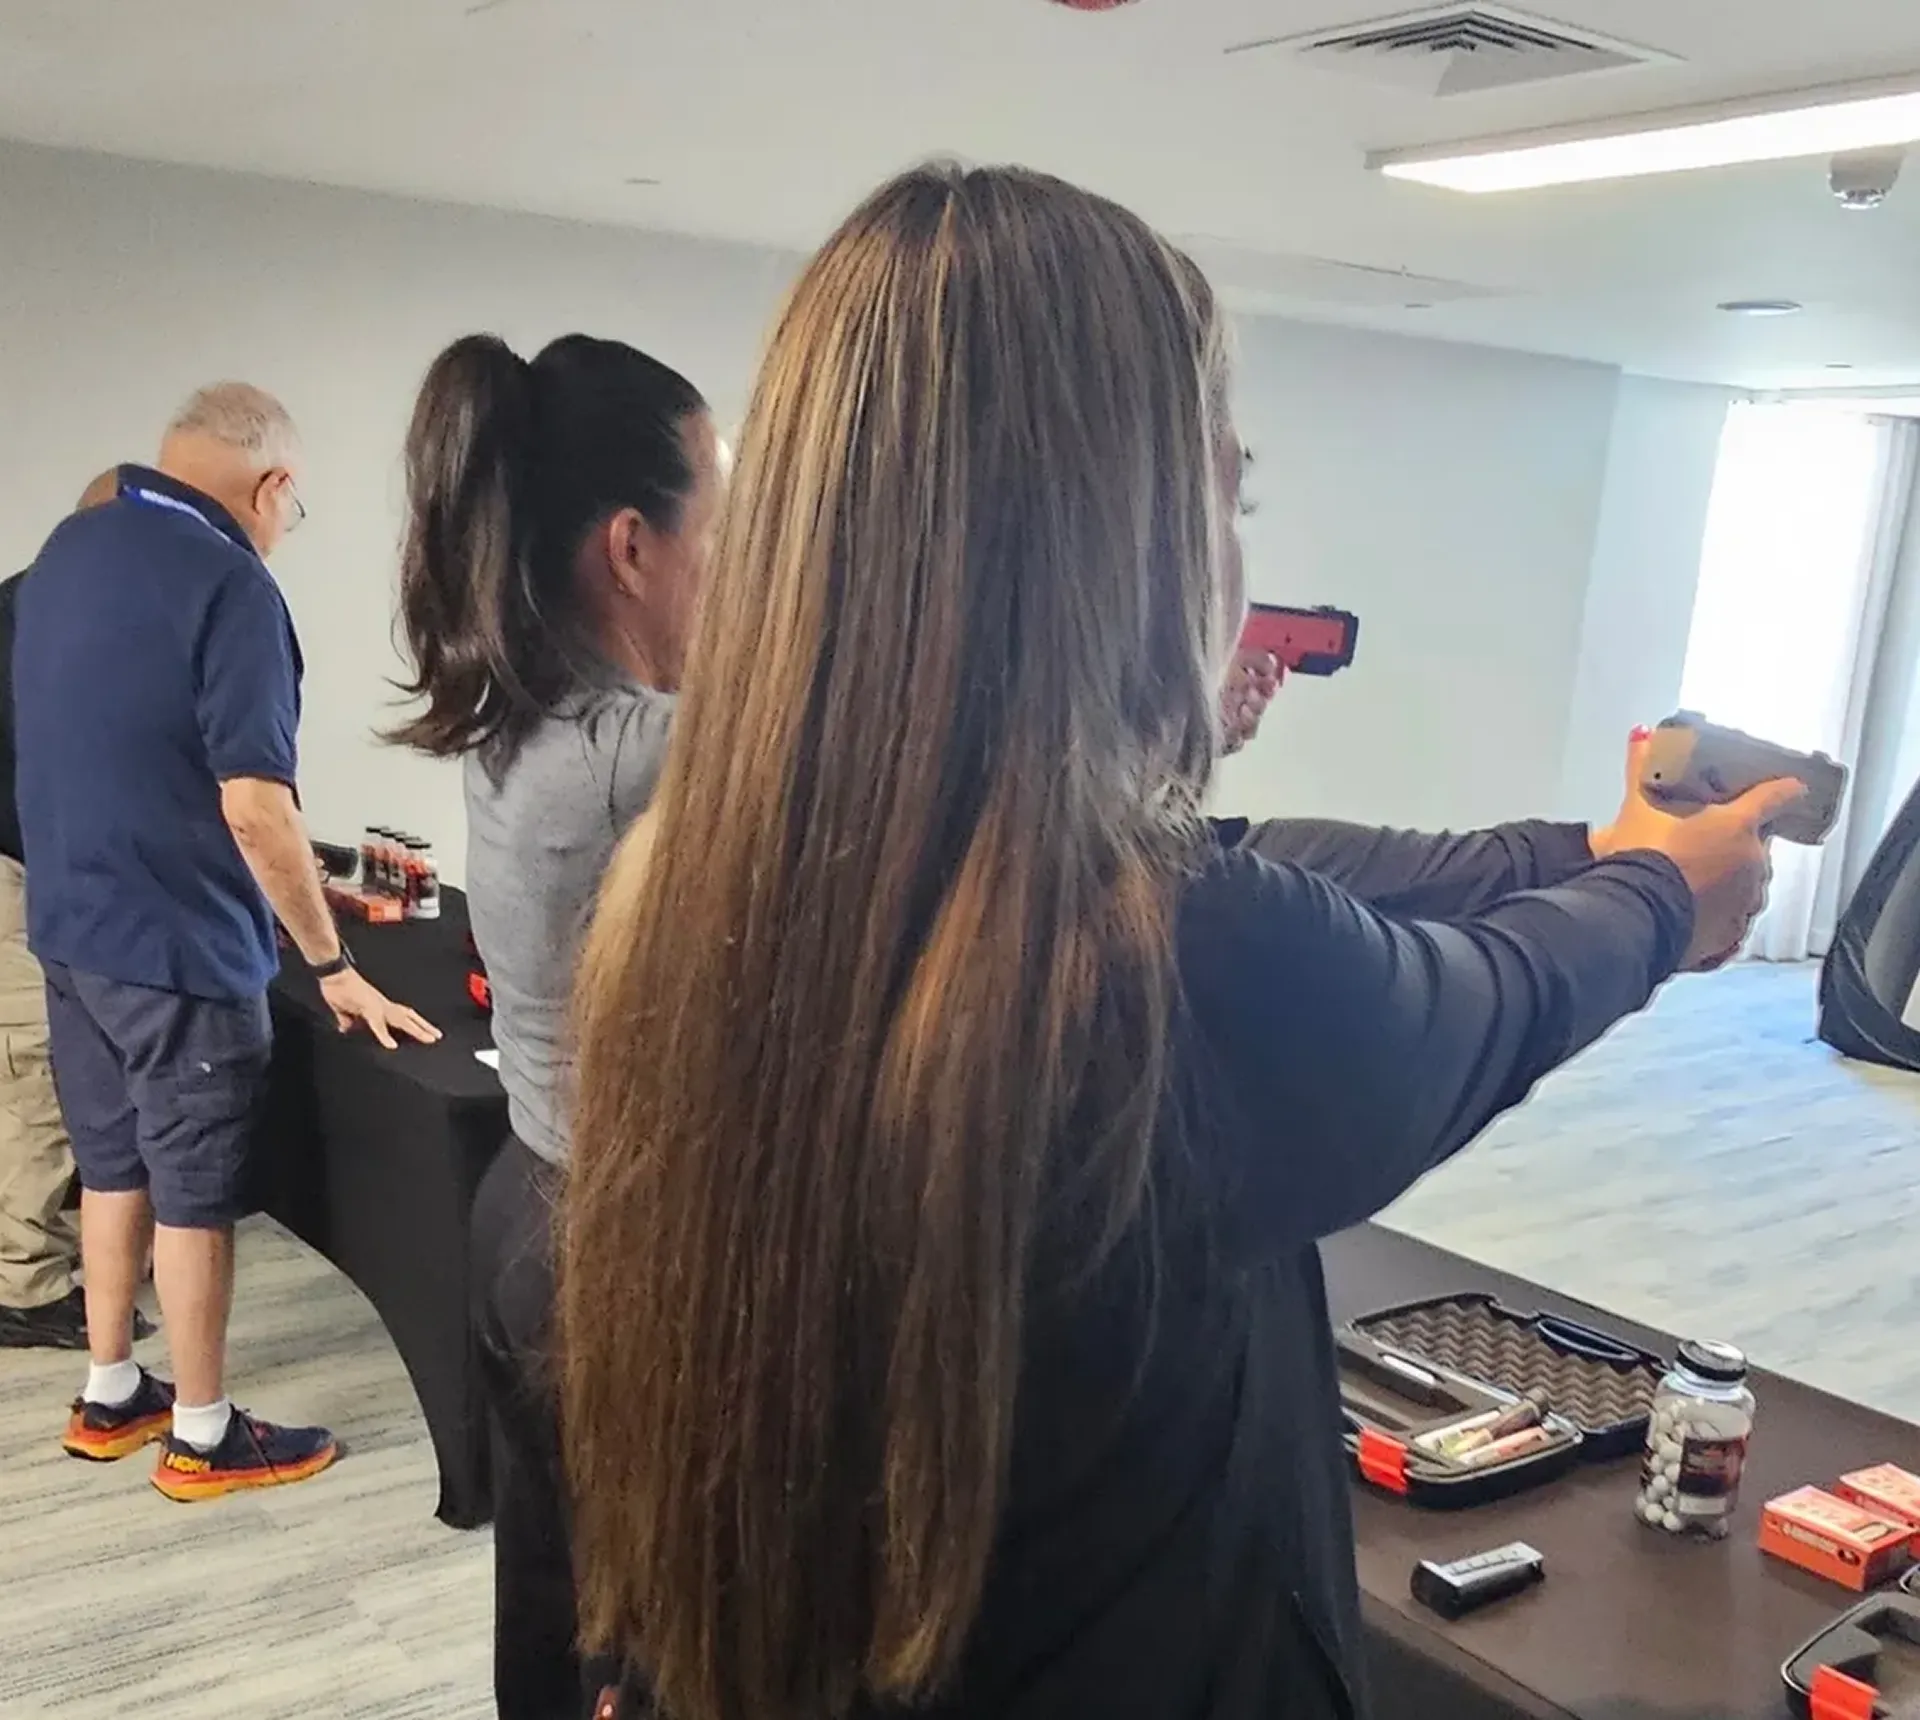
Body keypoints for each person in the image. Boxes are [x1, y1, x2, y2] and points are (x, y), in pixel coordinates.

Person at [552, 165, 1797, 1720]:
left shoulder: (692, 891)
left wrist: (1599, 854)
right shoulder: (1163, 964)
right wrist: (1663, 898)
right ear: (1131, 538)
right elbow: (1484, 997)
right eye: (1228, 494)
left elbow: (1280, 866)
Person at [14, 386, 440, 1502]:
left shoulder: (68, 551)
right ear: (274, 486)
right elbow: (256, 805)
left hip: (71, 930)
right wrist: (333, 965)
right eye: (293, 509)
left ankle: (111, 1392)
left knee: (112, 1164)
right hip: (175, 950)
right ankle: (204, 1434)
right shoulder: (231, 583)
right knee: (193, 1190)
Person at [388, 333, 723, 1718]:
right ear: (632, 548)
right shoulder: (647, 754)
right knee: (655, 1650)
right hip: (622, 1260)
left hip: (525, 1208)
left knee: (553, 1600)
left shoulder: (508, 711)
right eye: (719, 527)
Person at [0, 470, 149, 1351]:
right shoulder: (34, 619)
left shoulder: (57, 605)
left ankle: (76, 1253)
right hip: (11, 874)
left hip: (48, 870)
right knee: (40, 1074)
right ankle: (25, 1286)